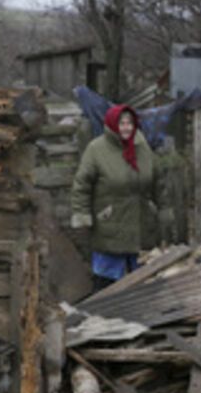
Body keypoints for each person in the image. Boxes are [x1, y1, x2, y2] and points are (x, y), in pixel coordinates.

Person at [71, 104, 171, 291]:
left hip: (141, 223)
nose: (126, 127)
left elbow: (159, 182)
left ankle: (141, 318)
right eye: (121, 123)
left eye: (129, 123)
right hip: (110, 222)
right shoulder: (97, 149)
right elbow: (81, 185)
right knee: (107, 280)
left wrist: (164, 208)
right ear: (111, 125)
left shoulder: (143, 147)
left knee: (141, 279)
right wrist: (81, 214)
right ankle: (102, 316)